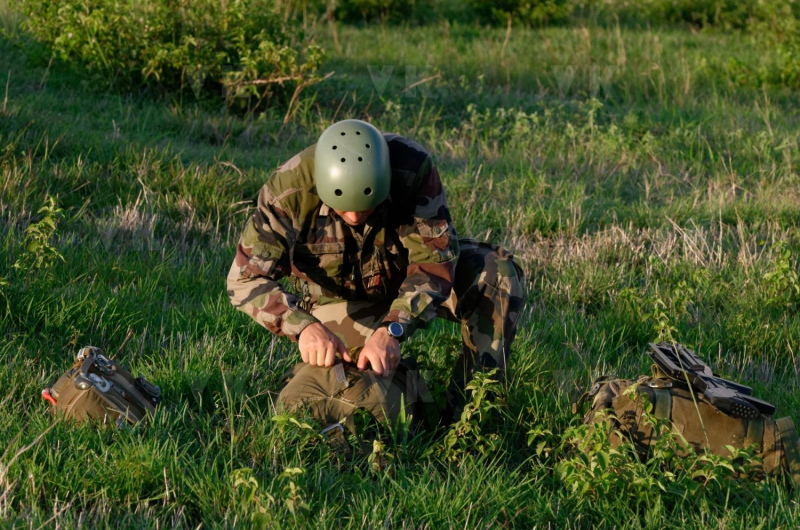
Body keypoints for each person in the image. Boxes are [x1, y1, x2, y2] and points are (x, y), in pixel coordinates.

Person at [226, 119, 524, 432]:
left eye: (367, 207)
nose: (355, 217)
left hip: (408, 281)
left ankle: (469, 422)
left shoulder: (411, 169)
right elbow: (244, 279)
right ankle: (407, 394)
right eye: (344, 210)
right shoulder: (289, 190)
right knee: (352, 388)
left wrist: (394, 328)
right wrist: (303, 327)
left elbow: (434, 260)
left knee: (498, 276)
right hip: (336, 298)